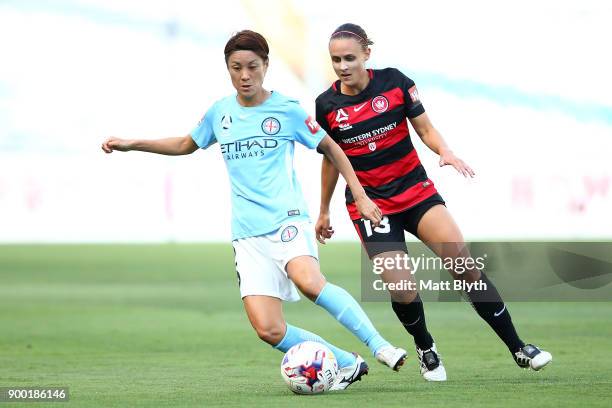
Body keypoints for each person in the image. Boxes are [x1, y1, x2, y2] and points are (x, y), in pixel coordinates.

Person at [101, 30, 407, 391]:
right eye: (236, 68)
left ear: (265, 66)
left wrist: (359, 194)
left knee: (309, 282)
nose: (244, 75)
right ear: (228, 69)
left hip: (288, 219)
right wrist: (132, 144)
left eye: (252, 67)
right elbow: (186, 143)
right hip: (248, 233)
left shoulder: (287, 110)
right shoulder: (220, 113)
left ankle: (380, 346)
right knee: (269, 329)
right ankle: (345, 362)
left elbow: (332, 148)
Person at [314, 23, 552, 382]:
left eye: (350, 57)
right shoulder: (327, 105)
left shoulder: (395, 83)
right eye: (336, 60)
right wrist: (324, 209)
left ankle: (519, 347)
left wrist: (445, 152)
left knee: (463, 264)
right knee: (402, 287)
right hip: (371, 205)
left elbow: (424, 128)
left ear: (367, 54)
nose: (343, 65)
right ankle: (426, 348)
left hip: (416, 192)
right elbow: (331, 158)